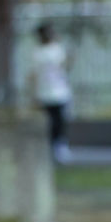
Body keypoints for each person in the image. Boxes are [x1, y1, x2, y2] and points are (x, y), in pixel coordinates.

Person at [30, 23, 72, 162]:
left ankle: (60, 146)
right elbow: (35, 75)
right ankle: (50, 147)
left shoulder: (57, 49)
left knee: (59, 121)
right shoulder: (38, 53)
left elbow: (64, 68)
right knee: (49, 123)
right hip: (45, 94)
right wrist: (34, 94)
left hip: (59, 93)